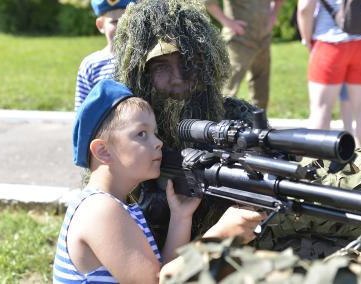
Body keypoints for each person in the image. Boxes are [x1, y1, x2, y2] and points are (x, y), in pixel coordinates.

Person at [53, 79, 265, 283]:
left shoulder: (112, 205)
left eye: (155, 133)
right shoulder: (100, 209)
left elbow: (161, 272)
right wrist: (218, 237)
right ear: (103, 151)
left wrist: (180, 218)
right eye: (142, 134)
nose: (158, 142)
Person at [113, 0, 269, 249]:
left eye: (189, 63)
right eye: (161, 66)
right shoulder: (126, 133)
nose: (179, 79)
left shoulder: (238, 120)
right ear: (141, 76)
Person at [297, 0, 361, 147]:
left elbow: (305, 8)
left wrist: (306, 39)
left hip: (329, 41)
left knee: (321, 108)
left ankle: (317, 165)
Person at [205, 0, 284, 111]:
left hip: (263, 39)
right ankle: (219, 123)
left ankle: (259, 124)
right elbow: (208, 2)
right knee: (227, 89)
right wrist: (227, 22)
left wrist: (273, 16)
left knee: (261, 90)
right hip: (239, 39)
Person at [74, 0, 135, 111]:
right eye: (114, 22)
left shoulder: (142, 60)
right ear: (101, 25)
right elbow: (82, 111)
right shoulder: (91, 65)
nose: (122, 27)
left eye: (127, 20)